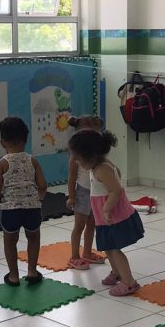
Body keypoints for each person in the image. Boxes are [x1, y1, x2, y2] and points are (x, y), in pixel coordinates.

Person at [67, 129, 143, 297]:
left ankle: (129, 283)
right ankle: (117, 273)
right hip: (104, 219)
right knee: (108, 247)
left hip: (114, 217)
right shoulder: (98, 166)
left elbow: (116, 190)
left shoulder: (102, 169)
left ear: (91, 156)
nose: (76, 162)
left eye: (78, 158)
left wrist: (107, 208)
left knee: (114, 249)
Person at [0, 117, 47, 286]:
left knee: (10, 242)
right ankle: (32, 272)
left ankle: (13, 276)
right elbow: (43, 185)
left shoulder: (1, 164)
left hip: (10, 210)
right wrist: (39, 198)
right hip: (32, 209)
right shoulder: (32, 161)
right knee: (33, 238)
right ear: (25, 140)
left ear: (2, 142)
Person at [66, 115, 107, 270]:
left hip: (96, 192)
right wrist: (71, 196)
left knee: (92, 224)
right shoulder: (75, 157)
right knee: (79, 226)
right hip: (82, 193)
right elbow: (71, 177)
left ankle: (87, 253)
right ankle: (74, 257)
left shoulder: (96, 155)